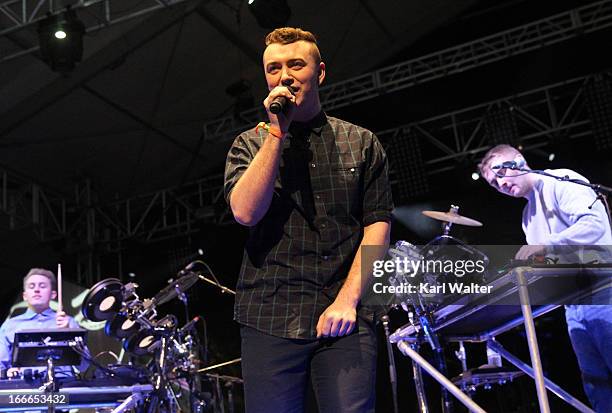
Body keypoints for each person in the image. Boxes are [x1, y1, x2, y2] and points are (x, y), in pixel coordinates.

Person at [224, 27, 393, 412]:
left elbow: (377, 227)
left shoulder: (362, 143)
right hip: (269, 313)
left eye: (295, 65)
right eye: (273, 68)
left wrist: (348, 301)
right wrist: (275, 135)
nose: (283, 76)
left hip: (344, 312)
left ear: (318, 73)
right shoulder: (248, 144)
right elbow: (246, 212)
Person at [479, 144, 612, 413]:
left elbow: (595, 226)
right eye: (494, 184)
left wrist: (546, 247)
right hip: (573, 305)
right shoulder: (528, 217)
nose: (500, 184)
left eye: (500, 174)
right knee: (597, 385)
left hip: (604, 292)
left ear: (518, 161)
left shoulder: (559, 181)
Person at [0, 268, 79, 378]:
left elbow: (84, 366)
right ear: (24, 296)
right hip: (23, 388)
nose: (36, 290)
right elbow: (1, 367)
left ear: (53, 294)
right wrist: (6, 372)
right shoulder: (9, 325)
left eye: (42, 286)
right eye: (32, 286)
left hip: (64, 387)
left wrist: (69, 333)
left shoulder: (68, 322)